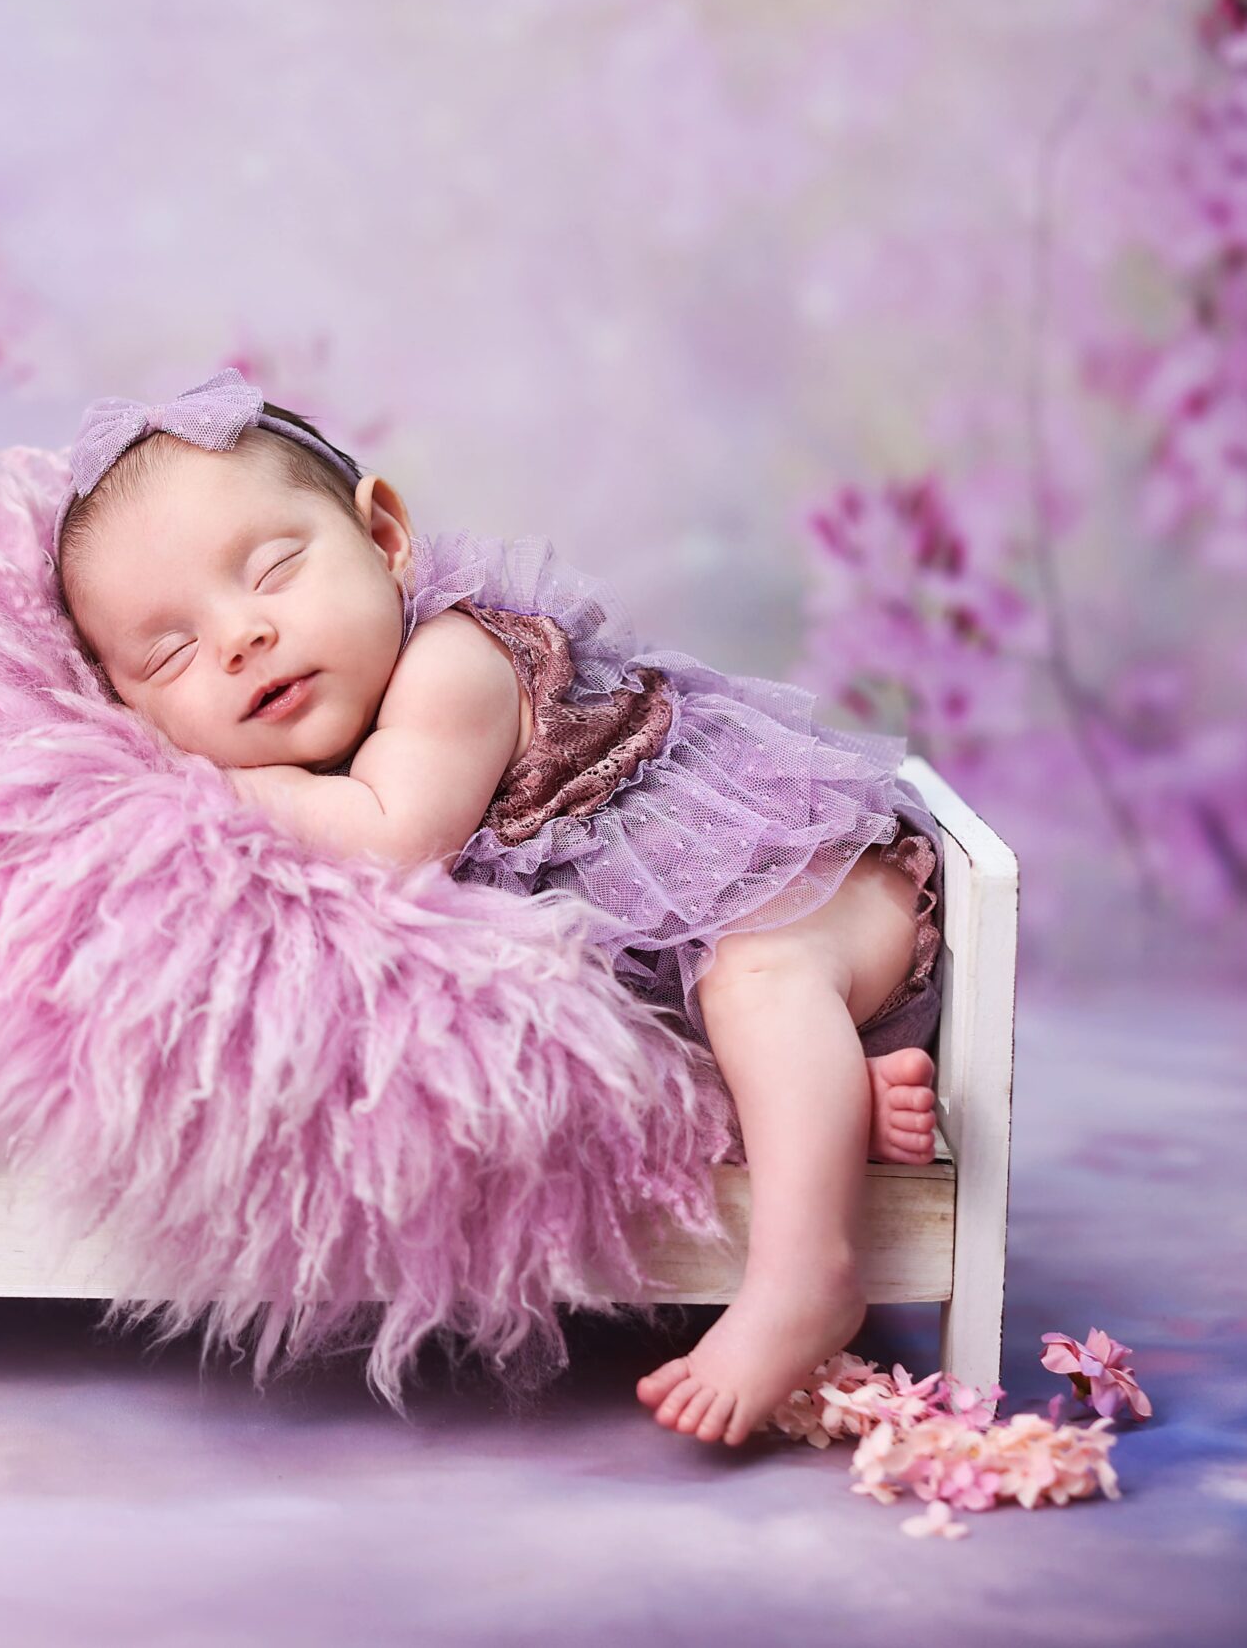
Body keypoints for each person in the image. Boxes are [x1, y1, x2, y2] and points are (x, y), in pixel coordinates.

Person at [50, 366, 950, 1449]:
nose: (240, 636)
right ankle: (833, 1096)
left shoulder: (454, 660)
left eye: (275, 569)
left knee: (754, 976)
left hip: (816, 892)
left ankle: (808, 1275)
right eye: (170, 654)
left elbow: (391, 836)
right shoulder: (338, 725)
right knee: (688, 1025)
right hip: (709, 966)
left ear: (383, 537)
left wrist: (216, 786)